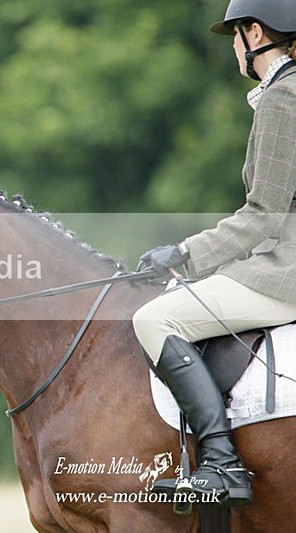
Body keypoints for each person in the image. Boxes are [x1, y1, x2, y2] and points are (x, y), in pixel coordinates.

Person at [132, 0, 296, 507]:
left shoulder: (284, 97)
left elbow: (264, 213)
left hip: (287, 273)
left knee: (155, 320)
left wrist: (185, 253)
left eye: (234, 34)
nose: (232, 46)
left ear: (255, 32)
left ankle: (223, 465)